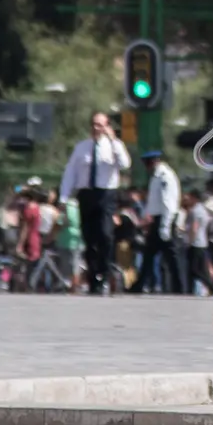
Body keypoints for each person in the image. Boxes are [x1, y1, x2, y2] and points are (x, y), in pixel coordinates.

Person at [59, 111, 132, 295]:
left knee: (106, 235)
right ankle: (94, 278)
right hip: (86, 194)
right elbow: (70, 172)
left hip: (106, 194)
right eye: (93, 124)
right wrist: (64, 197)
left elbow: (125, 164)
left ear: (107, 126)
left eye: (100, 125)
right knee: (89, 237)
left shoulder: (114, 146)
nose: (96, 128)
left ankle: (104, 272)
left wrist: (114, 141)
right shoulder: (81, 147)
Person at [128, 150, 183, 294]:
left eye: (147, 164)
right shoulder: (156, 176)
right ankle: (139, 285)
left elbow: (168, 203)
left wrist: (165, 225)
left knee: (172, 257)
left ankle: (180, 287)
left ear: (153, 162)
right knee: (149, 255)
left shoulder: (165, 176)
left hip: (165, 219)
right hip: (157, 220)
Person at [183, 189, 213, 296]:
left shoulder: (195, 211)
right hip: (202, 242)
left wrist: (190, 241)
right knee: (201, 267)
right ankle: (207, 286)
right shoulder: (203, 210)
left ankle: (209, 285)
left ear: (194, 198)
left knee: (196, 268)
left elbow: (194, 227)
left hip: (195, 243)